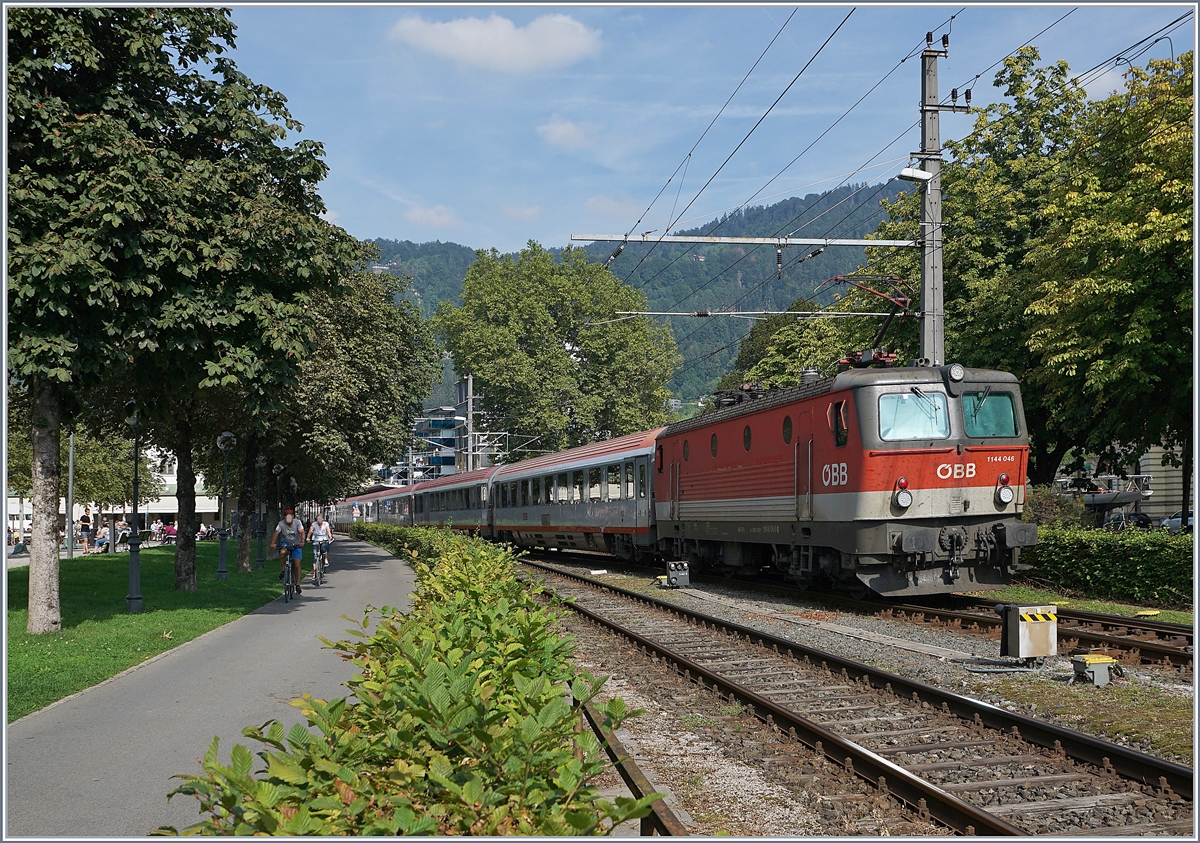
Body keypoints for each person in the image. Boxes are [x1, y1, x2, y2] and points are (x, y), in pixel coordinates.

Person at [270, 509, 305, 594]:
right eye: (287, 516)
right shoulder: (281, 524)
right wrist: (273, 543)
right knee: (282, 552)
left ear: (293, 516)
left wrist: (302, 541)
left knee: (297, 564)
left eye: (290, 516)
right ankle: (283, 570)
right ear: (285, 517)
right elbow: (276, 532)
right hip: (286, 543)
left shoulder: (297, 522)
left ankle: (297, 584)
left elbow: (302, 532)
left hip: (296, 543)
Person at [307, 513, 333, 578]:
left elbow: (328, 531)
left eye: (320, 519)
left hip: (324, 539)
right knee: (315, 555)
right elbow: (310, 531)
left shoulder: (326, 524)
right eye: (318, 519)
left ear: (323, 519)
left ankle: (325, 559)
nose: (319, 520)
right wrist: (308, 537)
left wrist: (330, 536)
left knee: (323, 548)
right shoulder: (314, 524)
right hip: (316, 540)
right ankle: (315, 572)